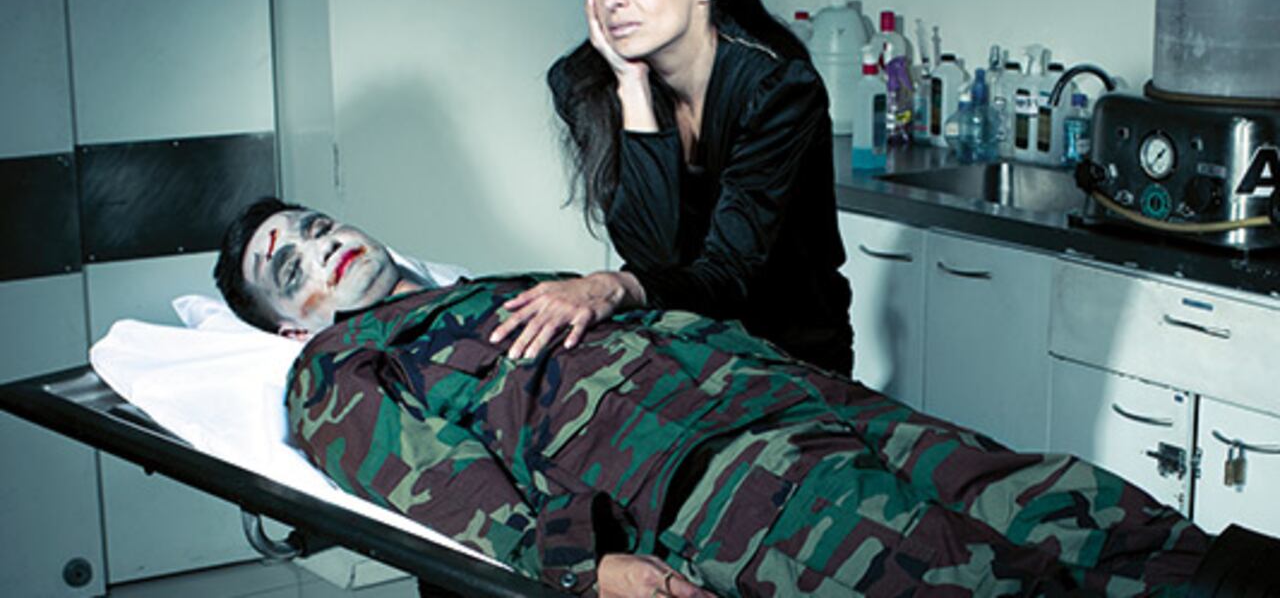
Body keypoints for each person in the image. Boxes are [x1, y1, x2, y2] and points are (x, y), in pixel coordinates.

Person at [211, 198, 1253, 598]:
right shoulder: (337, 373)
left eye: (314, 224)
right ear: (291, 324)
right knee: (965, 577)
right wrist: (582, 570)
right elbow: (441, 486)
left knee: (1069, 505)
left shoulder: (487, 288)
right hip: (724, 481)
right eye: (287, 264)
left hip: (805, 400)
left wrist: (611, 285)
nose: (318, 247)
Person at [488, 0, 853, 376]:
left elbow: (729, 274)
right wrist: (632, 87)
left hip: (788, 352)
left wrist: (616, 285)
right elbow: (655, 253)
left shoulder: (778, 88)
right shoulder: (584, 85)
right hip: (682, 345)